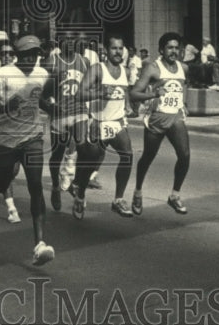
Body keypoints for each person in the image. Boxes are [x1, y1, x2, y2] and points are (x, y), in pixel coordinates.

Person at [0, 35, 54, 266]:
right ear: (18, 56)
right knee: (4, 181)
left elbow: (39, 99)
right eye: (28, 55)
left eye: (36, 54)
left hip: (32, 137)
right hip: (4, 139)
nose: (33, 59)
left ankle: (39, 244)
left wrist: (51, 107)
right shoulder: (2, 75)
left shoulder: (42, 74)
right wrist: (4, 106)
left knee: (35, 185)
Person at [68, 36, 135, 219]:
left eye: (120, 48)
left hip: (117, 122)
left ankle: (118, 200)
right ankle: (79, 194)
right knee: (91, 163)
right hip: (97, 123)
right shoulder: (98, 69)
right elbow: (79, 94)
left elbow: (125, 90)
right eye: (114, 48)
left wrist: (128, 106)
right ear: (106, 50)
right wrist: (99, 92)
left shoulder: (125, 70)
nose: (118, 52)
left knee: (127, 155)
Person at [129, 32, 191, 216]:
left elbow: (184, 84)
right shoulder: (153, 68)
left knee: (185, 155)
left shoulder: (184, 67)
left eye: (176, 48)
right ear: (161, 50)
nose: (173, 51)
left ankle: (174, 195)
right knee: (148, 157)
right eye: (169, 48)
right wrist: (154, 94)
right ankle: (138, 191)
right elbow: (133, 94)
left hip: (175, 118)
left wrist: (184, 103)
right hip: (156, 118)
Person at [42, 32, 93, 211]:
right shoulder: (52, 62)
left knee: (84, 149)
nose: (70, 43)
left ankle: (77, 184)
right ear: (60, 42)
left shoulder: (84, 61)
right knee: (57, 155)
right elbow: (43, 91)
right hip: (60, 114)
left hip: (80, 112)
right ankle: (56, 186)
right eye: (66, 40)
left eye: (72, 39)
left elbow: (90, 86)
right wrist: (50, 106)